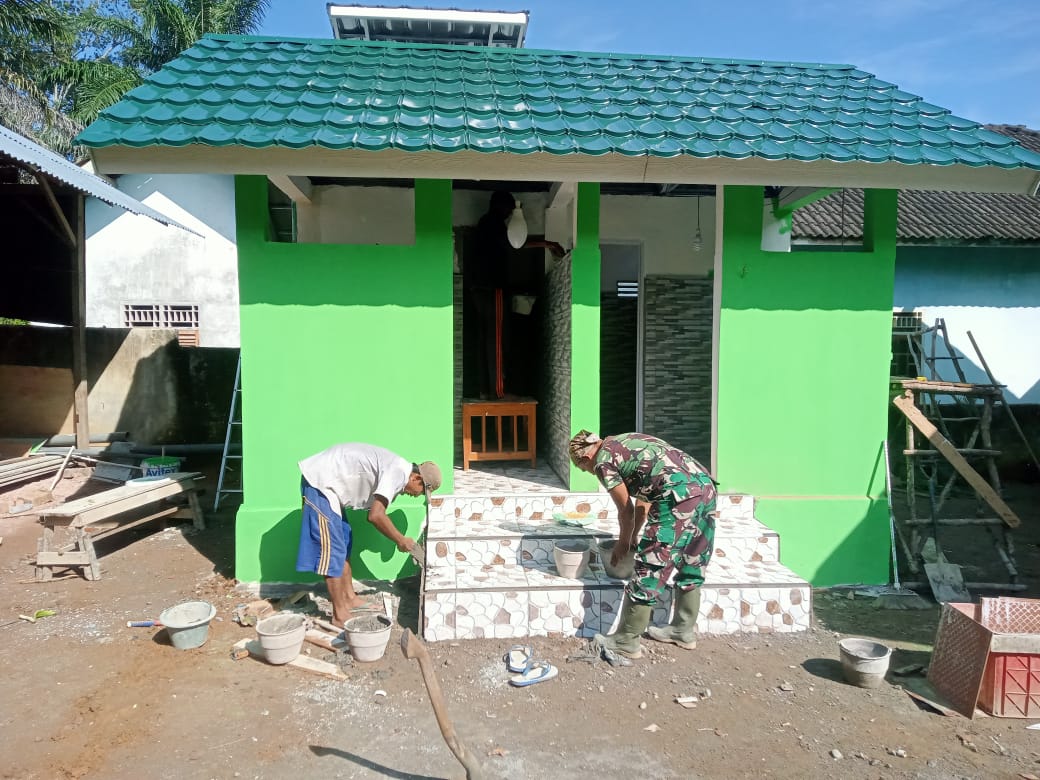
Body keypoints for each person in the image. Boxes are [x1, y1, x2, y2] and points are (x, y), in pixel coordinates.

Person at [569, 430, 717, 659]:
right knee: (693, 559)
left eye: (582, 468)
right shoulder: (627, 442)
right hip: (705, 487)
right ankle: (683, 630)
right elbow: (644, 498)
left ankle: (626, 640)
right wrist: (634, 535)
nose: (588, 472)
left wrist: (623, 543)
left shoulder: (602, 462)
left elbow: (626, 510)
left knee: (650, 565)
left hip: (677, 495)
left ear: (586, 458)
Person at [296, 443, 442, 627]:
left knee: (344, 541)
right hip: (319, 482)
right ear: (416, 478)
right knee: (333, 550)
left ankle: (350, 598)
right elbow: (375, 515)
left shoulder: (398, 470)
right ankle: (339, 615)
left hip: (331, 488)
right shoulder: (398, 472)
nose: (417, 496)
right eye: (421, 492)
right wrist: (401, 540)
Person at [467, 190, 564, 399]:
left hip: (478, 289)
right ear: (501, 207)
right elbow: (515, 243)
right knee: (497, 339)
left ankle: (485, 390)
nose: (510, 214)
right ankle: (499, 392)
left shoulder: (485, 224)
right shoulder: (493, 223)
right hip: (492, 288)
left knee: (486, 338)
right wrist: (548, 244)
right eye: (509, 210)